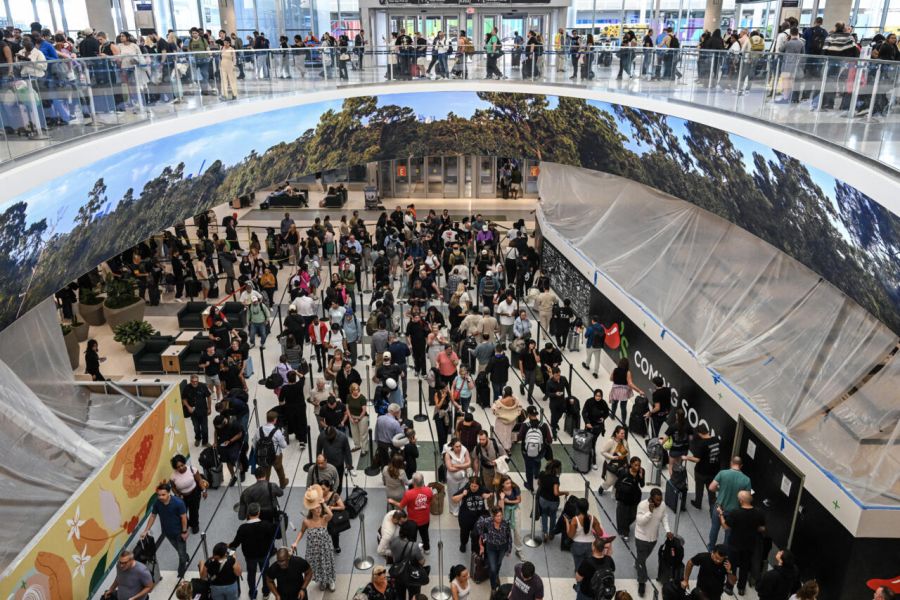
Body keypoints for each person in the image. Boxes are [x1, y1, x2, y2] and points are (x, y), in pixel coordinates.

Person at [718, 490, 766, 594]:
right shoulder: (759, 512)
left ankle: (729, 587)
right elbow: (762, 528)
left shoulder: (735, 513)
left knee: (731, 566)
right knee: (745, 567)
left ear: (740, 500)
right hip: (749, 546)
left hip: (734, 545)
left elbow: (725, 526)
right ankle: (741, 588)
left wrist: (721, 514)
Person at [291, 485, 336, 592]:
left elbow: (330, 514)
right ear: (311, 510)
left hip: (325, 547)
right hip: (313, 549)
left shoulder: (324, 519)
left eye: (319, 508)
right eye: (316, 508)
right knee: (318, 566)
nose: (318, 510)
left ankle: (331, 581)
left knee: (328, 564)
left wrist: (323, 503)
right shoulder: (306, 521)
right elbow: (301, 531)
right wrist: (295, 542)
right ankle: (322, 581)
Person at [228, 502, 277, 600]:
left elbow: (236, 543)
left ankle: (253, 593)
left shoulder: (243, 528)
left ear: (248, 513)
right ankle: (266, 592)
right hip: (264, 555)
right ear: (259, 512)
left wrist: (228, 545)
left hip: (250, 557)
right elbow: (275, 536)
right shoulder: (266, 525)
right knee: (265, 573)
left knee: (251, 574)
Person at [142, 484, 189, 578]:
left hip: (179, 533)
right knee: (179, 549)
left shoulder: (178, 503)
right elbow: (153, 516)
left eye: (163, 495)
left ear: (169, 493)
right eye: (159, 495)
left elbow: (184, 518)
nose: (160, 497)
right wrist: (146, 530)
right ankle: (185, 555)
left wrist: (184, 532)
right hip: (167, 532)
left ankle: (182, 569)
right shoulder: (157, 503)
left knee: (181, 554)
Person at [707, 456, 751, 550]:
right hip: (734, 511)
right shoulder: (746, 480)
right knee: (729, 532)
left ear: (731, 463)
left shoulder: (722, 473)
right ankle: (725, 551)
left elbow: (711, 487)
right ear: (741, 466)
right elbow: (747, 498)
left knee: (715, 528)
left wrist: (720, 488)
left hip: (719, 507)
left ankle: (711, 548)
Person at [634, 488, 672, 597]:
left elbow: (664, 517)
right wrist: (649, 513)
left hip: (653, 539)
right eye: (657, 500)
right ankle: (642, 582)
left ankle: (638, 563)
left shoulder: (662, 505)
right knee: (642, 561)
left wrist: (668, 530)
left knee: (643, 558)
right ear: (651, 498)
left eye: (661, 500)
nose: (659, 502)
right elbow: (640, 522)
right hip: (641, 537)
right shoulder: (642, 505)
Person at [477, 505, 512, 592]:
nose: (499, 518)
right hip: (491, 547)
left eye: (500, 515)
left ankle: (496, 576)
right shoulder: (487, 521)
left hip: (502, 547)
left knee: (499, 563)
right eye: (497, 516)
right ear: (493, 516)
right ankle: (493, 587)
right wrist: (484, 536)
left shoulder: (506, 522)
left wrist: (509, 549)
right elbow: (478, 525)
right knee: (492, 568)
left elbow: (509, 536)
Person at [169, 454, 207, 535]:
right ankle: (186, 523)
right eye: (178, 467)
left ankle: (195, 525)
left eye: (182, 465)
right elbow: (173, 487)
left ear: (184, 463)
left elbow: (200, 480)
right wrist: (177, 495)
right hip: (182, 497)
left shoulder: (192, 470)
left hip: (194, 493)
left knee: (194, 510)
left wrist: (204, 490)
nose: (180, 468)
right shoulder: (173, 476)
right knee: (182, 512)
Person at [453, 476, 492, 553]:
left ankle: (475, 546)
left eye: (475, 486)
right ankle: (463, 544)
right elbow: (454, 499)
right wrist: (463, 495)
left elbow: (491, 493)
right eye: (472, 486)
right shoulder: (466, 489)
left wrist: (488, 495)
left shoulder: (482, 489)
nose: (473, 488)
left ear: (479, 485)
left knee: (477, 534)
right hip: (465, 516)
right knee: (464, 533)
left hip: (478, 516)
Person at [518, 405, 552, 491]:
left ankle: (530, 486)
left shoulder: (525, 425)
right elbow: (549, 440)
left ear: (528, 415)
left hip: (527, 452)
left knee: (528, 468)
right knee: (537, 461)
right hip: (540, 451)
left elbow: (519, 437)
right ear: (536, 414)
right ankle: (536, 474)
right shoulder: (544, 425)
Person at [390, 520, 427, 600]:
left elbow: (392, 554)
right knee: (414, 595)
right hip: (412, 576)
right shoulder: (414, 546)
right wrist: (421, 551)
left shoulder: (394, 540)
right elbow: (422, 562)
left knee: (399, 596)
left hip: (398, 573)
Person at [566, 497, 605, 571]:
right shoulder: (593, 518)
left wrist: (568, 523)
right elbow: (600, 533)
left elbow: (570, 535)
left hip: (577, 546)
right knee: (590, 567)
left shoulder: (575, 520)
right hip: (591, 546)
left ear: (577, 508)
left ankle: (579, 581)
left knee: (579, 568)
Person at [687, 424, 721, 510]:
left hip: (701, 472)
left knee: (699, 489)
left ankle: (698, 503)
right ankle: (712, 507)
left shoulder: (701, 444)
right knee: (711, 491)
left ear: (699, 433)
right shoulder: (717, 439)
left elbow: (697, 459)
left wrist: (686, 457)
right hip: (713, 472)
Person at [398, 472, 433, 553]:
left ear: (413, 482)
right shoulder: (429, 491)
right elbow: (430, 501)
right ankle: (427, 549)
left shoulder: (408, 494)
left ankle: (412, 551)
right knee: (425, 535)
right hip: (425, 519)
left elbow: (401, 506)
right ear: (423, 481)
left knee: (412, 537)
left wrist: (392, 501)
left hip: (412, 521)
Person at [256, 410, 289, 488]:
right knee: (279, 469)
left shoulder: (259, 430)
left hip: (263, 455)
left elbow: (255, 443)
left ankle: (265, 487)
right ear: (275, 419)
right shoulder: (277, 431)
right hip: (276, 455)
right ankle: (283, 483)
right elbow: (284, 445)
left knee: (266, 472)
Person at [536, 459, 568, 541]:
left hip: (543, 499)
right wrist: (564, 492)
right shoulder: (555, 479)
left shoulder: (542, 474)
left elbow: (539, 483)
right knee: (553, 516)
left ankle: (545, 533)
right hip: (553, 502)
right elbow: (556, 493)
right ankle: (551, 533)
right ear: (556, 469)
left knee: (544, 514)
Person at [609, 357, 644, 424]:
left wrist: (617, 379)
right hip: (624, 392)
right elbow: (630, 384)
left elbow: (611, 379)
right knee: (623, 407)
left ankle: (612, 415)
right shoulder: (628, 372)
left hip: (615, 390)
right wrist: (639, 390)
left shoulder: (615, 370)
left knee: (614, 403)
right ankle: (623, 422)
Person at [582, 389, 610, 470]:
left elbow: (607, 413)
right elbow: (584, 412)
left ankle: (593, 461)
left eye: (599, 396)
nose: (598, 398)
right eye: (597, 396)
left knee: (592, 442)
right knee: (588, 441)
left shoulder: (603, 403)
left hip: (598, 427)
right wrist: (587, 422)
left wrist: (603, 418)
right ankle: (588, 454)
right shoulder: (589, 401)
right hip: (589, 425)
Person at [497, 475, 524, 558]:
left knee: (517, 531)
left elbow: (519, 500)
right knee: (505, 530)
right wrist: (502, 499)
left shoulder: (515, 487)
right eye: (507, 483)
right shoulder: (500, 491)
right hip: (505, 510)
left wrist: (509, 501)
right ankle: (506, 548)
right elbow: (500, 507)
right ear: (502, 485)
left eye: (510, 482)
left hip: (515, 509)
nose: (509, 484)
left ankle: (519, 549)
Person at [444, 437, 471, 515]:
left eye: (460, 446)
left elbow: (469, 463)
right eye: (457, 446)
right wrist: (463, 466)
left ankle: (462, 508)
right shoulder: (448, 454)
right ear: (452, 446)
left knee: (463, 493)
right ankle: (454, 510)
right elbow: (450, 468)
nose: (459, 448)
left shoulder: (464, 450)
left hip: (463, 478)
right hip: (452, 478)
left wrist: (457, 466)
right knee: (453, 493)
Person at [599, 425, 630, 495]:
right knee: (609, 481)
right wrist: (612, 457)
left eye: (624, 433)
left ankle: (614, 494)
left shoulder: (624, 441)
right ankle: (602, 487)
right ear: (616, 433)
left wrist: (628, 462)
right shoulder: (611, 442)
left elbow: (628, 453)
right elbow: (602, 451)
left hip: (622, 464)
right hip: (612, 465)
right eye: (621, 433)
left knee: (618, 481)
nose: (623, 435)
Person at [183, 374, 212, 447]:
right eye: (193, 381)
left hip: (203, 411)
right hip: (193, 413)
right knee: (196, 427)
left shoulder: (203, 386)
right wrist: (188, 407)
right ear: (190, 381)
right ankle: (198, 439)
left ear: (198, 381)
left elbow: (208, 397)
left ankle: (205, 442)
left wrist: (209, 408)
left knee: (205, 428)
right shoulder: (187, 388)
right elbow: (184, 399)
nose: (195, 383)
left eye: (196, 381)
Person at [492, 386, 522, 452]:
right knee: (509, 434)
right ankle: (508, 448)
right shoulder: (516, 400)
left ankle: (501, 448)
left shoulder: (499, 402)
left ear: (503, 392)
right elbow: (519, 408)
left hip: (501, 422)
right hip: (512, 421)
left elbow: (494, 411)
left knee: (501, 435)